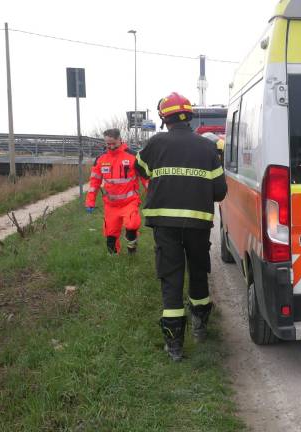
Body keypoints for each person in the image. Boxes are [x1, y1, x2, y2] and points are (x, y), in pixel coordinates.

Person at [135, 92, 227, 362]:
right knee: (198, 273)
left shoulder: (155, 144)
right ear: (189, 116)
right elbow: (220, 192)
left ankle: (174, 346)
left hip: (165, 225)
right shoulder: (208, 148)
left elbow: (139, 168)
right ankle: (200, 327)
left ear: (165, 118)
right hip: (198, 224)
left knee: (171, 279)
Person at [86, 129, 147, 255]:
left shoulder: (133, 156)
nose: (111, 146)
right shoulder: (100, 159)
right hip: (111, 205)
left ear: (120, 139)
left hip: (130, 202)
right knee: (110, 233)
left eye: (114, 143)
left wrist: (155, 196)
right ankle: (113, 259)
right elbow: (94, 183)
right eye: (108, 144)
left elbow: (145, 179)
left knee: (132, 224)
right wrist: (90, 201)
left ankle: (132, 249)